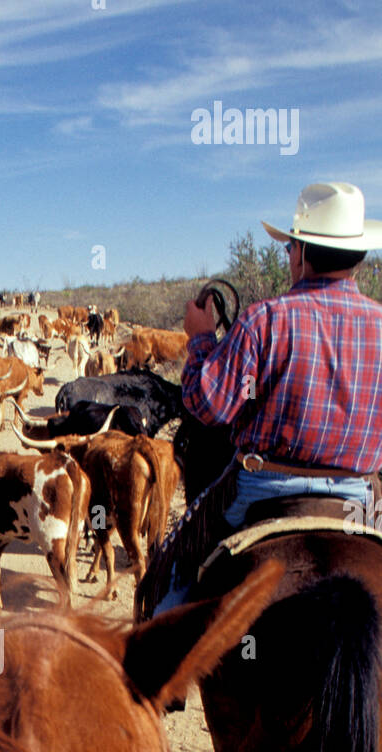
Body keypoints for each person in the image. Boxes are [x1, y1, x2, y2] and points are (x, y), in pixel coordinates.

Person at [150, 181, 382, 615]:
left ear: (299, 253)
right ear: (358, 257)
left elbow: (208, 406)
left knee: (172, 579)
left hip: (263, 487)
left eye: (290, 249)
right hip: (360, 500)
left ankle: (156, 676)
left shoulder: (266, 319)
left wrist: (201, 339)